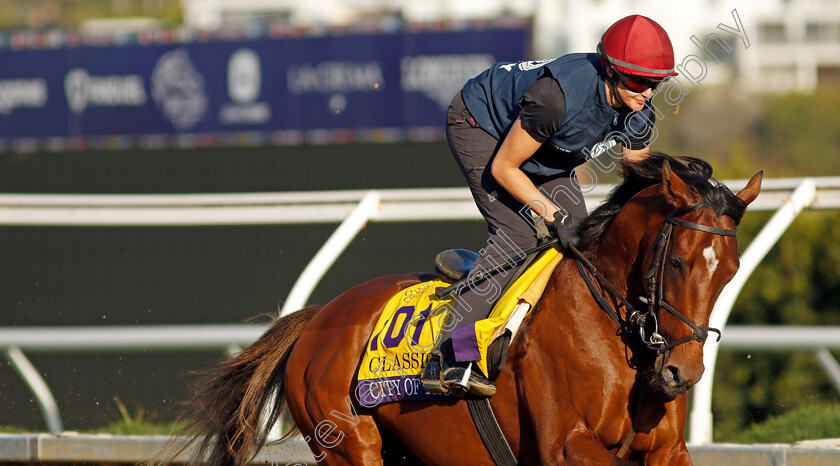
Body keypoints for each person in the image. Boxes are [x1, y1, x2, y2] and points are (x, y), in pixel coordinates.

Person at [420, 14, 679, 397]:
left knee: (587, 245)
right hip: (483, 127)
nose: (649, 92)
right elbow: (505, 168)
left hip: (548, 150)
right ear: (610, 70)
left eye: (658, 83)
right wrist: (554, 214)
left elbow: (636, 186)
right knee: (519, 234)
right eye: (640, 81)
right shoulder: (554, 99)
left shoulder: (640, 111)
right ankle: (447, 356)